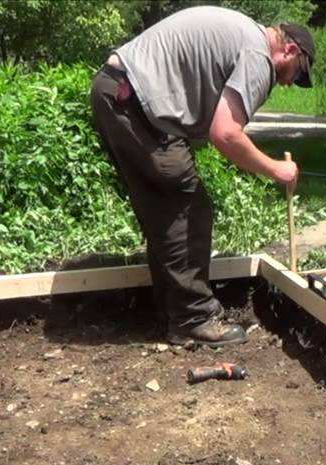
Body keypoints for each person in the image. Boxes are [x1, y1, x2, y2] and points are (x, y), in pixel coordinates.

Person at [89, 6, 314, 347]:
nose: (289, 82)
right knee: (189, 208)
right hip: (134, 103)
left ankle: (172, 312)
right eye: (296, 73)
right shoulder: (258, 55)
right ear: (290, 50)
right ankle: (192, 318)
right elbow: (225, 134)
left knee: (164, 211)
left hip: (118, 93)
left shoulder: (243, 34)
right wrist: (275, 168)